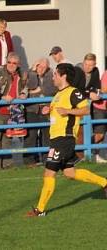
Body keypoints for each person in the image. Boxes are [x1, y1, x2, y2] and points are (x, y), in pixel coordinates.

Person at [27, 63, 107, 217]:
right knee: (70, 173)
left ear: (64, 76)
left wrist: (67, 111)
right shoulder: (58, 94)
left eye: (56, 74)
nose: (53, 77)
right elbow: (57, 115)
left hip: (64, 140)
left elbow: (85, 110)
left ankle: (40, 210)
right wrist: (47, 111)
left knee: (49, 173)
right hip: (57, 139)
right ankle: (104, 182)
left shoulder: (73, 92)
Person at [0, 53, 27, 168]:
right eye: (9, 62)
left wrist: (23, 94)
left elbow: (25, 87)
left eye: (14, 63)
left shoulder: (22, 73)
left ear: (18, 64)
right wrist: (1, 97)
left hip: (13, 110)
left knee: (8, 136)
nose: (11, 65)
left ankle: (6, 164)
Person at [25, 58, 56, 165]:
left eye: (44, 67)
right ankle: (29, 161)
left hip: (47, 109)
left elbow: (51, 90)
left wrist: (37, 91)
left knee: (47, 136)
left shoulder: (52, 75)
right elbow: (30, 87)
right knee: (31, 135)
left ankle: (46, 159)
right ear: (36, 65)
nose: (41, 69)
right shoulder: (29, 74)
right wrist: (33, 73)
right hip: (32, 109)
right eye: (39, 66)